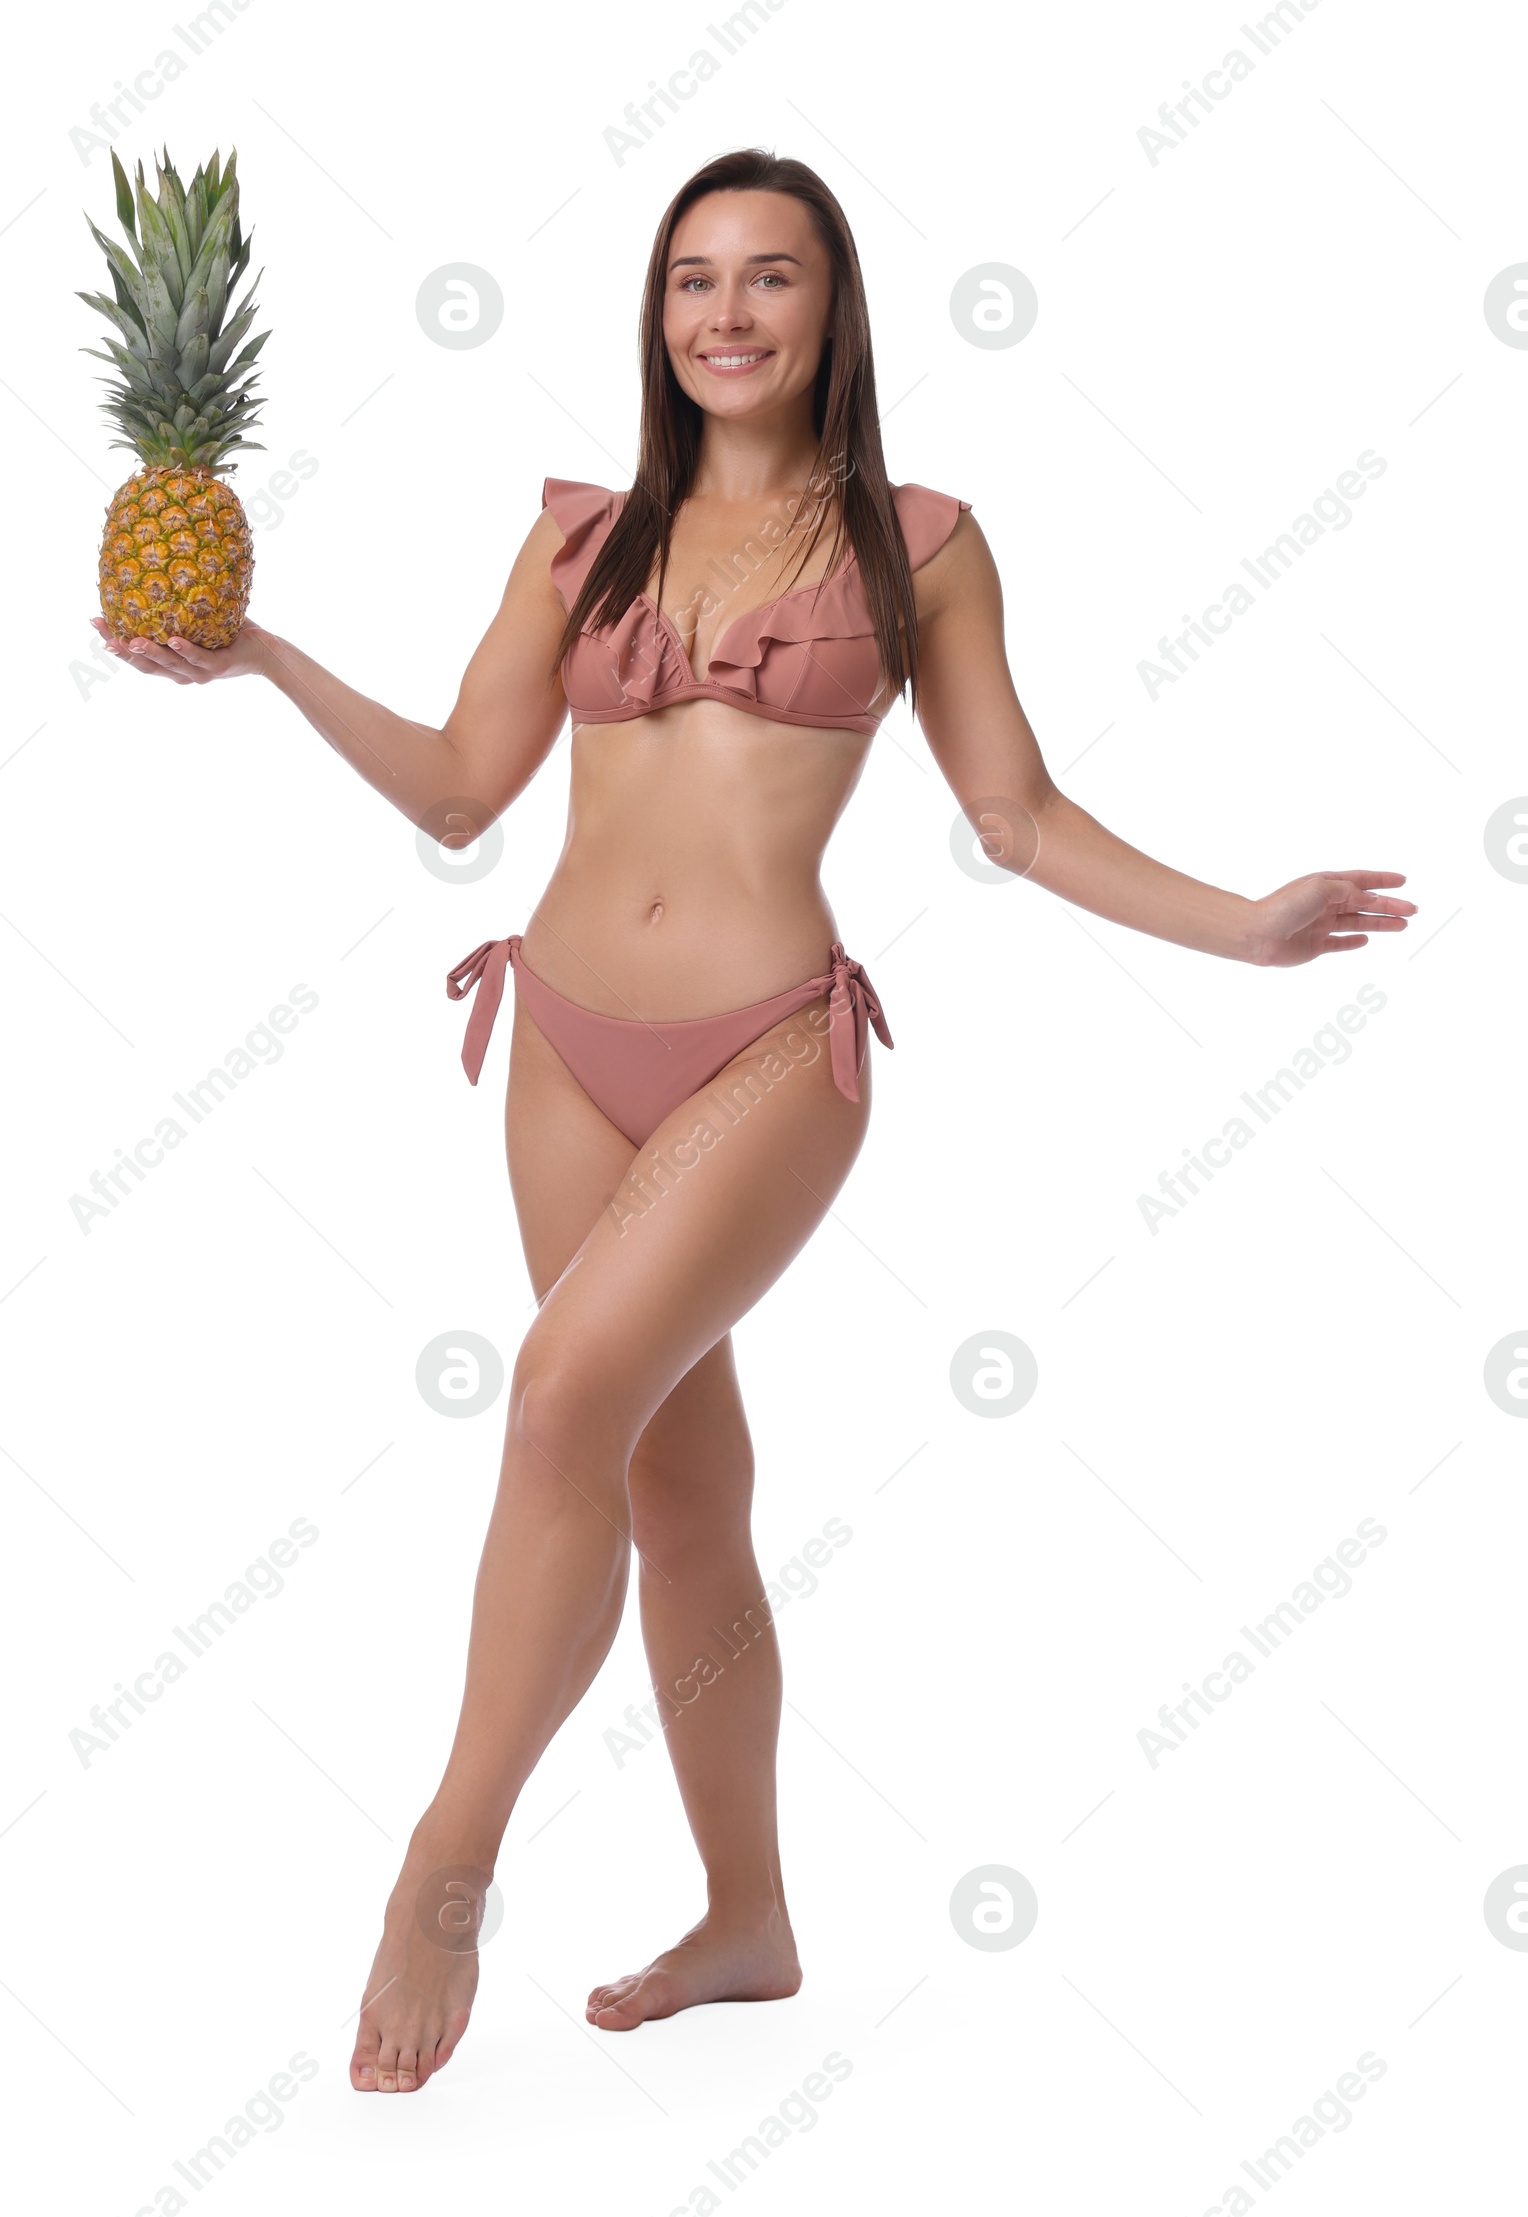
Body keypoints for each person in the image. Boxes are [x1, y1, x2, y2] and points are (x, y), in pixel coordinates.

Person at [90, 147, 1415, 2096]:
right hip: (557, 1044)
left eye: (768, 277)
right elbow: (466, 794)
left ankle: (444, 1858)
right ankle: (748, 1916)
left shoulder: (918, 543)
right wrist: (266, 657)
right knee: (667, 1483)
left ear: (831, 311)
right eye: (691, 279)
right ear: (656, 316)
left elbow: (1015, 818)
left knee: (552, 1399)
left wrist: (1238, 922)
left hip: (767, 1052)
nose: (725, 312)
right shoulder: (578, 537)